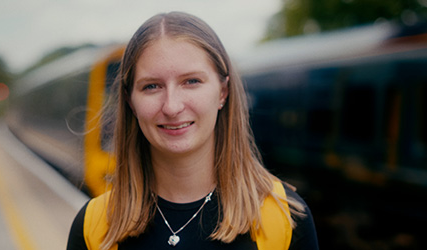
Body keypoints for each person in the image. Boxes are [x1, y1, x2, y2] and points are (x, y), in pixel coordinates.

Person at [67, 11, 319, 250]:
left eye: (191, 81)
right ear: (130, 101)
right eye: (152, 86)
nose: (172, 106)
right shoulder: (93, 227)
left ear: (223, 92)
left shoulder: (286, 218)